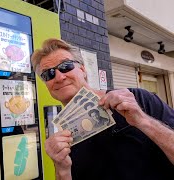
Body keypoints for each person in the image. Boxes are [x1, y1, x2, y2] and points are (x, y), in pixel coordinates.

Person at [31, 38, 174, 180]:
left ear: (83, 69)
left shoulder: (137, 99)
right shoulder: (63, 135)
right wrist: (61, 169)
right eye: (48, 74)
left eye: (65, 66)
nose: (59, 77)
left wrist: (143, 121)